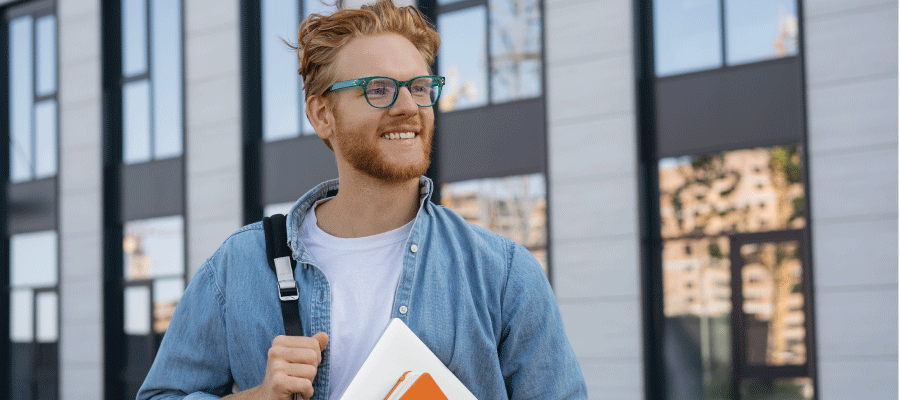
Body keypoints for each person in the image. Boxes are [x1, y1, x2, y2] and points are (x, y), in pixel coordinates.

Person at [137, 0, 587, 399]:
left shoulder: (503, 276)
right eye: (377, 89)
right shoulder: (240, 266)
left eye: (419, 87)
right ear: (321, 114)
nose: (408, 107)